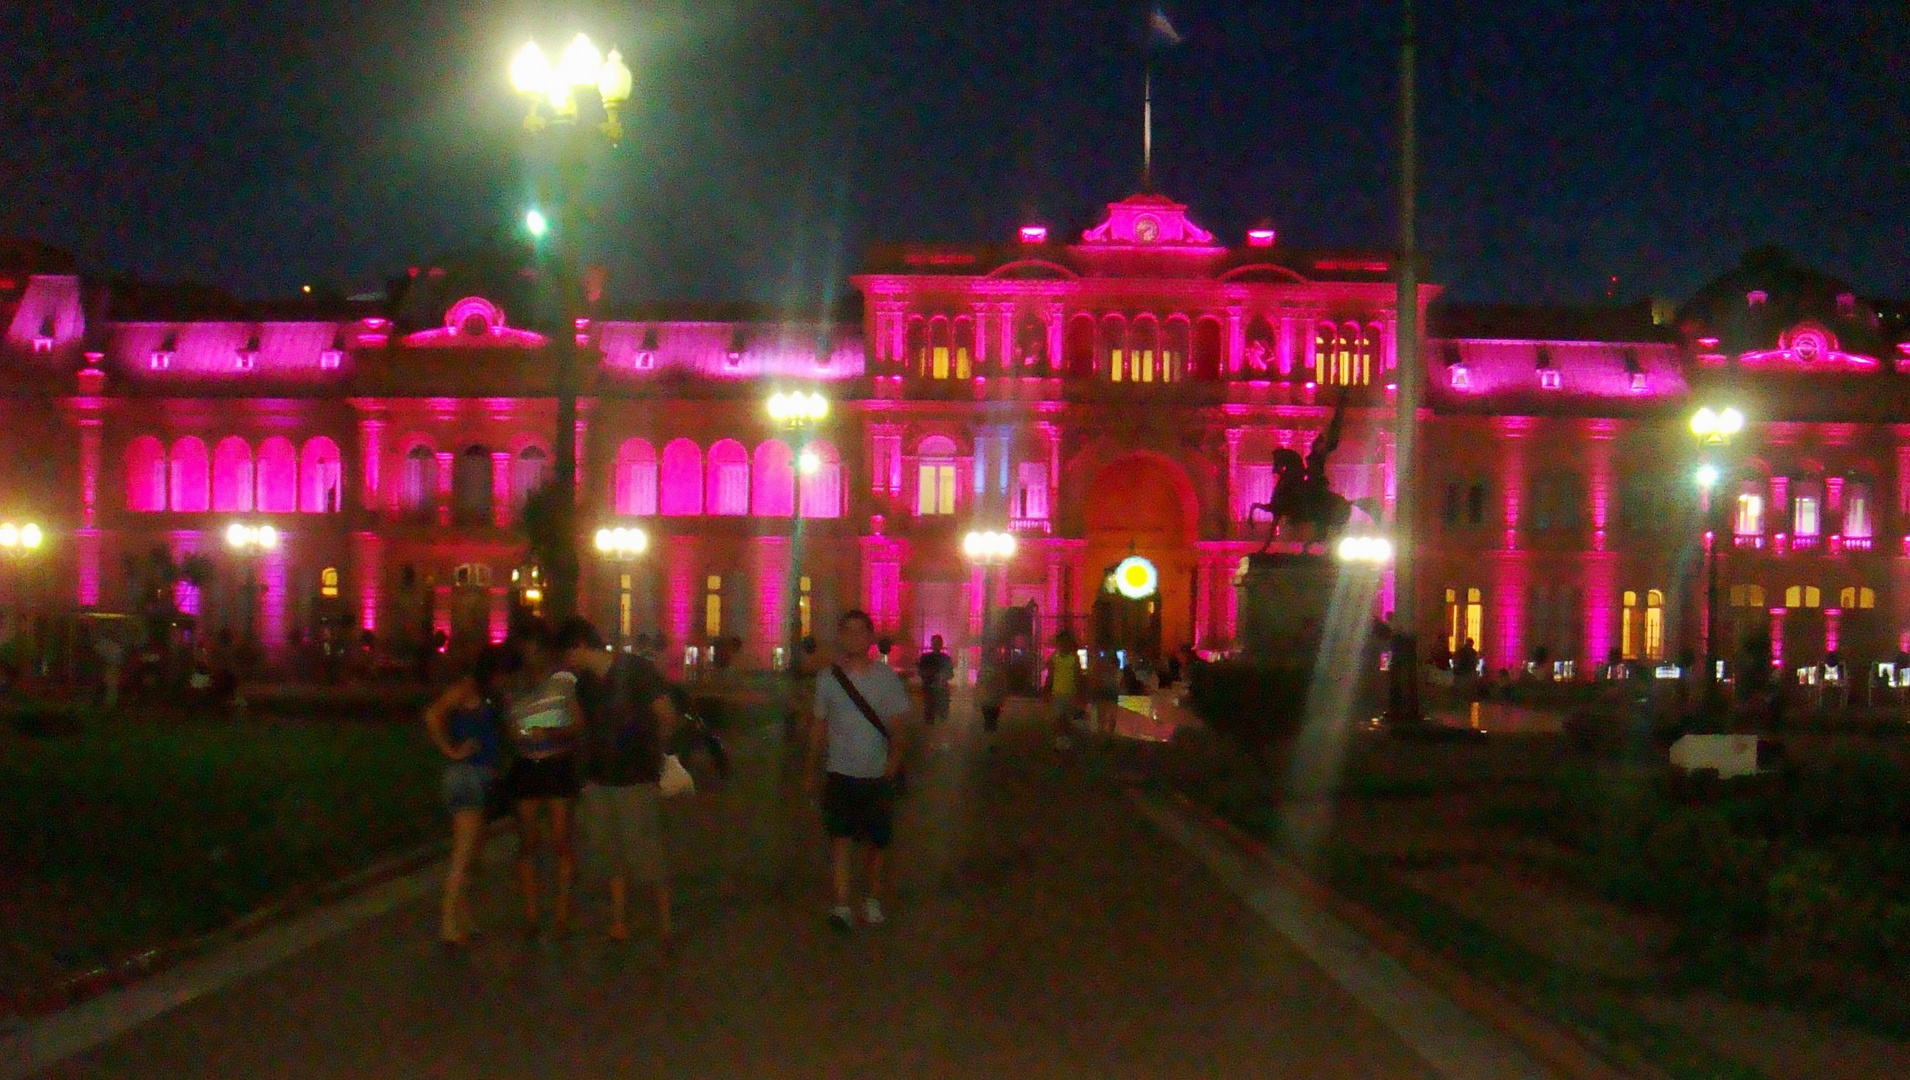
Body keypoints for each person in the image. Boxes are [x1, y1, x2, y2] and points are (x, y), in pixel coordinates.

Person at [556, 617, 681, 946]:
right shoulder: (584, 685)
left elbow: (667, 715)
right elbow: (584, 728)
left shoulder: (635, 671)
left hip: (635, 778)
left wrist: (656, 756)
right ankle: (619, 921)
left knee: (646, 854)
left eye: (568, 653)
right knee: (610, 853)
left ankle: (665, 924)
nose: (567, 662)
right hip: (600, 779)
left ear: (581, 645)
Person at [806, 609, 911, 932]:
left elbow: (898, 729)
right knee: (840, 840)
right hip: (840, 771)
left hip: (876, 773)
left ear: (869, 637)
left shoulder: (886, 679)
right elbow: (819, 727)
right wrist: (811, 768)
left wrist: (891, 767)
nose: (853, 637)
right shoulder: (827, 679)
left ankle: (872, 898)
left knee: (873, 846)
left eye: (859, 631)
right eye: (847, 631)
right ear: (840, 636)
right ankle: (841, 905)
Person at [423, 644, 514, 947]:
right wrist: (451, 749)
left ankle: (462, 916)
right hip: (467, 776)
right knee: (463, 855)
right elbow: (433, 715)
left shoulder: (488, 696)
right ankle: (448, 921)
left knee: (472, 853)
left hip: (477, 776)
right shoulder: (466, 689)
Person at [501, 621, 583, 936]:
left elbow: (577, 724)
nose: (531, 655)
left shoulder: (562, 684)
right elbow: (510, 728)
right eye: (527, 650)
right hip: (526, 764)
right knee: (527, 841)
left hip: (556, 763)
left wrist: (550, 732)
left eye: (536, 649)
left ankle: (561, 911)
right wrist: (518, 734)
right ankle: (532, 912)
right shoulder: (514, 689)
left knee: (561, 838)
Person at [1046, 632, 1082, 749]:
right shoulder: (1054, 658)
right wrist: (1047, 690)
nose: (1063, 645)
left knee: (1067, 719)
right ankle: (1061, 741)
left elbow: (1078, 676)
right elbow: (1050, 675)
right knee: (1059, 718)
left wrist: (1079, 693)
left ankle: (1065, 741)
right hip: (1058, 693)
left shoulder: (1073, 659)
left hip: (1070, 693)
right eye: (1061, 643)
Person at [916, 635, 954, 727]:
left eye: (938, 643)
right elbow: (921, 672)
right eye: (935, 643)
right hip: (931, 693)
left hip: (940, 693)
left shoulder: (944, 658)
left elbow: (950, 674)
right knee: (931, 716)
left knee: (941, 718)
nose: (937, 645)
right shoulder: (927, 658)